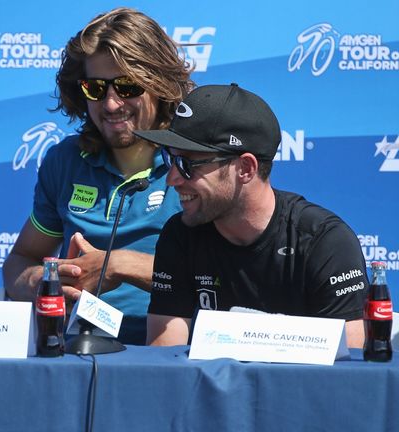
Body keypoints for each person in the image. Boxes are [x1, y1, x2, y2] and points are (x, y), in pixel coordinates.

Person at [3, 7, 193, 345]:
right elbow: (19, 262)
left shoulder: (194, 161)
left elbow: (223, 277)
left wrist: (118, 264)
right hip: (78, 352)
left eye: (127, 87)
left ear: (159, 84)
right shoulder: (65, 161)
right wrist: (42, 281)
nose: (111, 104)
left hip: (169, 357)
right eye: (95, 88)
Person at [135, 83, 367, 348]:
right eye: (170, 159)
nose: (171, 179)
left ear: (245, 168)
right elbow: (165, 356)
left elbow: (349, 362)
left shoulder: (324, 242)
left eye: (187, 165)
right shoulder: (180, 235)